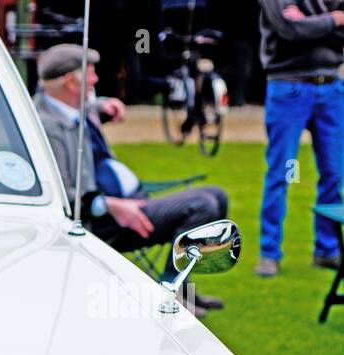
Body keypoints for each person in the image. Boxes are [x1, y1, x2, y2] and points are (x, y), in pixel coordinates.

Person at [33, 44, 229, 316]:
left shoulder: (74, 106)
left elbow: (91, 109)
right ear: (70, 81)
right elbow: (63, 195)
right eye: (90, 74)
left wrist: (105, 105)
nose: (96, 79)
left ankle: (184, 289)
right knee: (202, 206)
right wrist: (111, 205)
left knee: (218, 196)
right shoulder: (46, 127)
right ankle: (168, 292)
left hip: (127, 201)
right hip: (105, 220)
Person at [255, 0, 344, 278]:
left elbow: (302, 29)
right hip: (287, 87)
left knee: (334, 174)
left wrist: (309, 22)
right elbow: (289, 31)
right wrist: (334, 19)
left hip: (331, 88)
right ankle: (269, 254)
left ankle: (327, 250)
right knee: (282, 173)